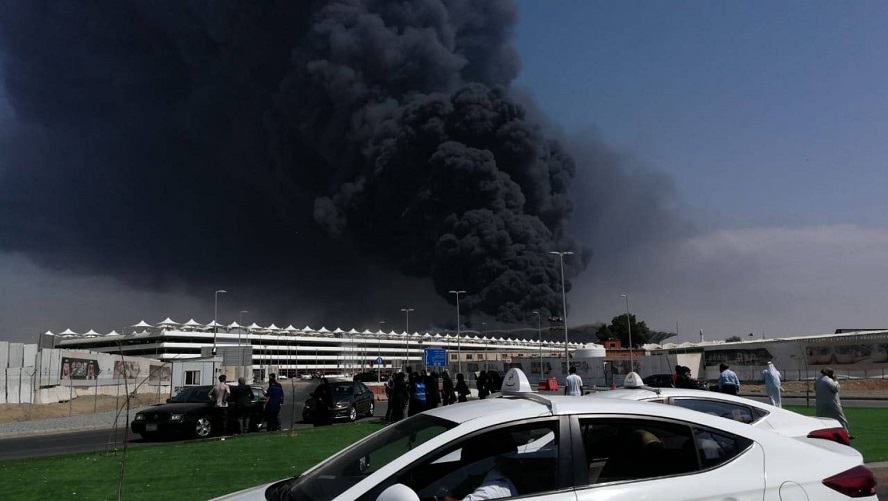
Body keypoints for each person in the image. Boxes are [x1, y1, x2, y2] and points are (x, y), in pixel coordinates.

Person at [815, 368, 850, 435]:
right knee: (840, 418)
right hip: (832, 403)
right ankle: (845, 433)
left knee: (822, 418)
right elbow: (835, 388)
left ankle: (822, 433)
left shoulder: (817, 381)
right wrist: (835, 381)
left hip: (820, 403)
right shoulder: (829, 380)